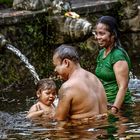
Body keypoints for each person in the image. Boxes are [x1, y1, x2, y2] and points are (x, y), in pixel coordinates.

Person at [52, 44, 107, 122]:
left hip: (81, 132)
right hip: (103, 130)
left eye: (56, 65)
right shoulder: (95, 79)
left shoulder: (68, 87)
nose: (55, 70)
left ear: (66, 62)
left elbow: (58, 121)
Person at [94, 16, 132, 114]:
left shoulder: (117, 56)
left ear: (113, 35)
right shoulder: (102, 52)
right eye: (96, 33)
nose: (98, 37)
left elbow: (123, 87)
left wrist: (114, 110)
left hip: (120, 107)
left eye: (102, 34)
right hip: (105, 104)